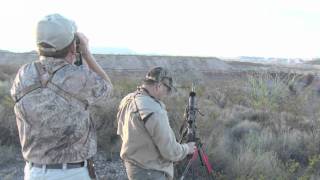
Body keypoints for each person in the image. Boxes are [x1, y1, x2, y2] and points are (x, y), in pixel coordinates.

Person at [10, 14, 113, 180]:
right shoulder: (79, 78)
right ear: (73, 46)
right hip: (72, 173)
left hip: (33, 172)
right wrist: (86, 53)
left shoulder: (23, 74)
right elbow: (107, 89)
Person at [117, 67, 195, 180]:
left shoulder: (127, 99)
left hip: (133, 168)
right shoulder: (153, 109)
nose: (166, 94)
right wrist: (187, 148)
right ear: (158, 86)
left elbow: (121, 132)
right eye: (167, 90)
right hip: (150, 172)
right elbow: (170, 151)